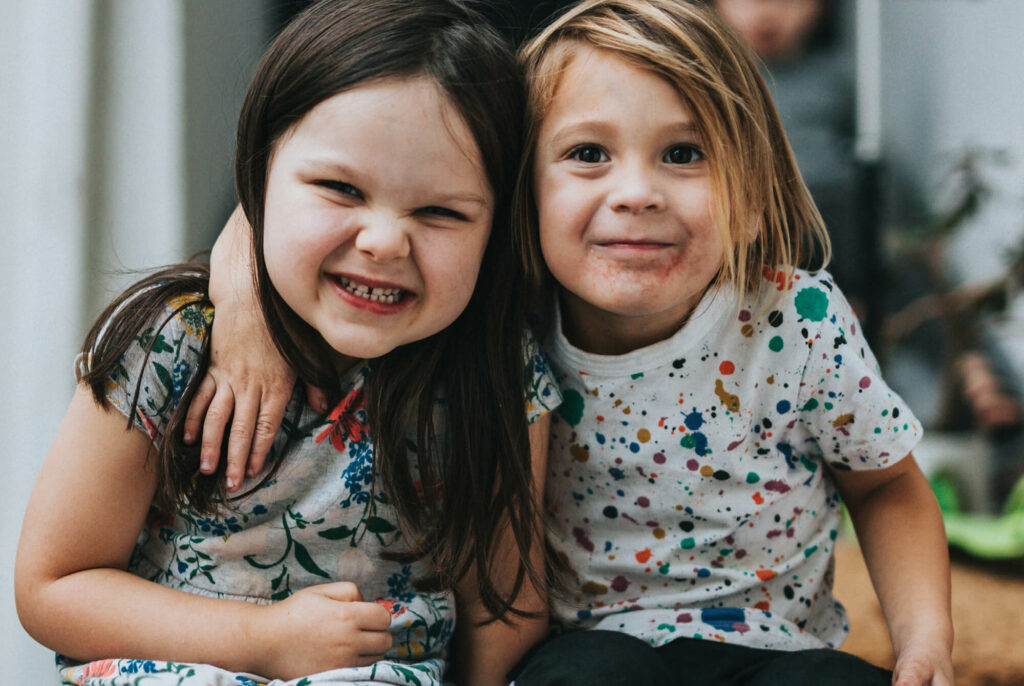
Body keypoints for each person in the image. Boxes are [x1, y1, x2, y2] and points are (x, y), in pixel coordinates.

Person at [192, 1, 954, 685]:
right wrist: (244, 299)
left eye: (684, 154)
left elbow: (885, 486)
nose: (636, 192)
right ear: (516, 191)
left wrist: (925, 642)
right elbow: (271, 206)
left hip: (779, 651)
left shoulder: (799, 320)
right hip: (587, 649)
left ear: (753, 191)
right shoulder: (503, 313)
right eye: (589, 154)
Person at [14, 1, 560, 685]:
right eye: (339, 188)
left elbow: (503, 611)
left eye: (440, 212)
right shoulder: (172, 343)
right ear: (260, 174)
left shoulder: (499, 374)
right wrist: (262, 638)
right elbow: (55, 586)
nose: (385, 241)